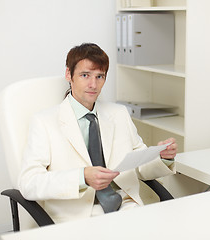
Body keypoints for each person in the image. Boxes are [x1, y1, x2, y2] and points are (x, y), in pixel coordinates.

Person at [19, 43, 177, 224]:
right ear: (68, 75)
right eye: (85, 75)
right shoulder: (44, 122)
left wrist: (162, 157)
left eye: (99, 76)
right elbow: (28, 183)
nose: (93, 85)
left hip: (126, 207)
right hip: (78, 217)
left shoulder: (119, 114)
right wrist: (82, 177)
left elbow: (140, 167)